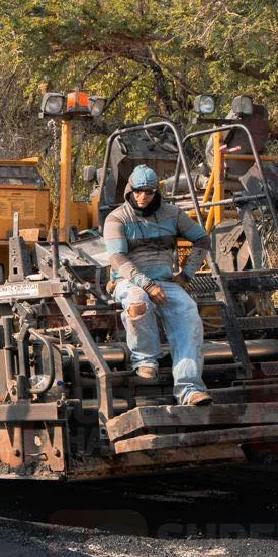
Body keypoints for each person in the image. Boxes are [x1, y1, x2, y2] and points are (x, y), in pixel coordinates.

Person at [104, 164, 213, 406]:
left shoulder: (172, 214)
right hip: (128, 280)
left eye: (149, 192)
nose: (143, 197)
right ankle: (144, 360)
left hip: (165, 281)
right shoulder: (117, 218)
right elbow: (117, 258)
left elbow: (202, 239)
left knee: (188, 313)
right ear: (129, 191)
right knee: (137, 303)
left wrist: (186, 275)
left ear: (157, 192)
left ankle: (190, 389)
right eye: (138, 191)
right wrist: (147, 284)